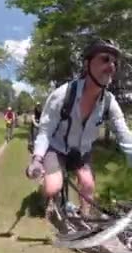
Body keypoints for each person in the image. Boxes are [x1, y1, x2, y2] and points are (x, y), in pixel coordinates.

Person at [26, 38, 132, 220]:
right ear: (87, 64)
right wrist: (37, 159)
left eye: (114, 62)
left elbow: (125, 137)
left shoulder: (109, 102)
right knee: (53, 187)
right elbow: (45, 131)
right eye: (105, 59)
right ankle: (45, 194)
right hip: (57, 148)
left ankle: (86, 219)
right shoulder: (62, 95)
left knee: (88, 185)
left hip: (82, 151)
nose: (111, 66)